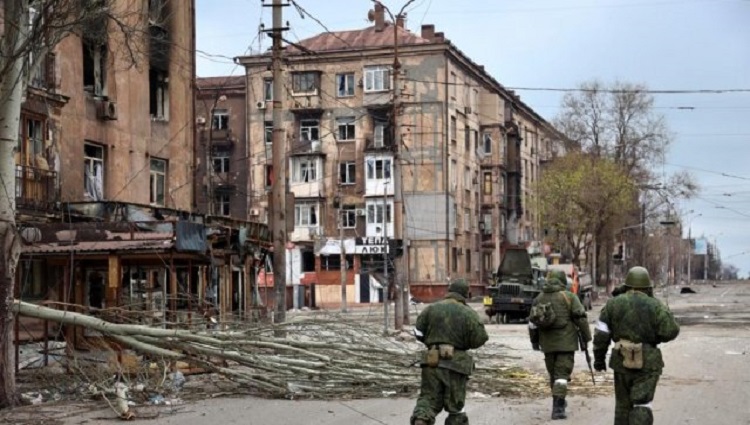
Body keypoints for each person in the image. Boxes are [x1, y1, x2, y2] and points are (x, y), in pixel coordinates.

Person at [593, 266, 680, 425]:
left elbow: (601, 334)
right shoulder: (655, 305)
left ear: (626, 285)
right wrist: (655, 338)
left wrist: (599, 359)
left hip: (621, 361)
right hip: (648, 362)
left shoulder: (613, 304)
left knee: (622, 405)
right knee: (642, 404)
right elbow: (671, 331)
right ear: (648, 287)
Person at [410, 279, 488, 425]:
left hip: (432, 360)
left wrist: (432, 343)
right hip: (456, 364)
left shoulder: (431, 308)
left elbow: (418, 332)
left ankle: (421, 419)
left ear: (449, 291)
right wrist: (465, 344)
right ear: (466, 294)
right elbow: (480, 338)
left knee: (428, 398)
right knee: (455, 405)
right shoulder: (468, 313)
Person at [529, 269, 592, 420]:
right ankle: (558, 407)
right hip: (566, 344)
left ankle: (558, 399)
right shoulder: (569, 297)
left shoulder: (539, 298)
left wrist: (535, 342)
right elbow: (581, 319)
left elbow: (532, 324)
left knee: (554, 375)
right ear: (563, 281)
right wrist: (586, 338)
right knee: (562, 376)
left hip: (547, 345)